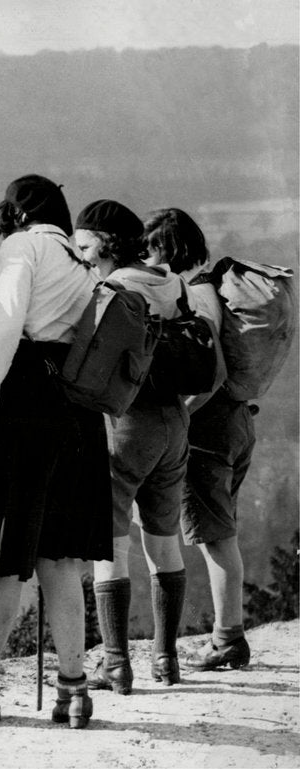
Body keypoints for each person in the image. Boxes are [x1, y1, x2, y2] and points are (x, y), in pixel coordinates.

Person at [0, 175, 112, 729]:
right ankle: (74, 691)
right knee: (61, 560)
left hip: (23, 404)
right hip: (76, 414)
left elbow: (2, 327)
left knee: (2, 558)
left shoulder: (24, 246)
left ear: (18, 211)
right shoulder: (82, 264)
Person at [73, 200, 194, 695]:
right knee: (164, 538)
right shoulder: (172, 283)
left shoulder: (114, 289)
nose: (80, 254)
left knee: (110, 541)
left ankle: (117, 663)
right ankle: (166, 660)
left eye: (84, 245)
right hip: (174, 421)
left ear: (105, 243)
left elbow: (96, 366)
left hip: (124, 422)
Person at [142, 208, 252, 671]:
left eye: (149, 248)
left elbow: (212, 372)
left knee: (215, 537)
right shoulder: (209, 285)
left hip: (207, 429)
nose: (145, 257)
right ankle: (229, 635)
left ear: (167, 248)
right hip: (234, 420)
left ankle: (228, 638)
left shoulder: (197, 292)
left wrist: (179, 420)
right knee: (219, 532)